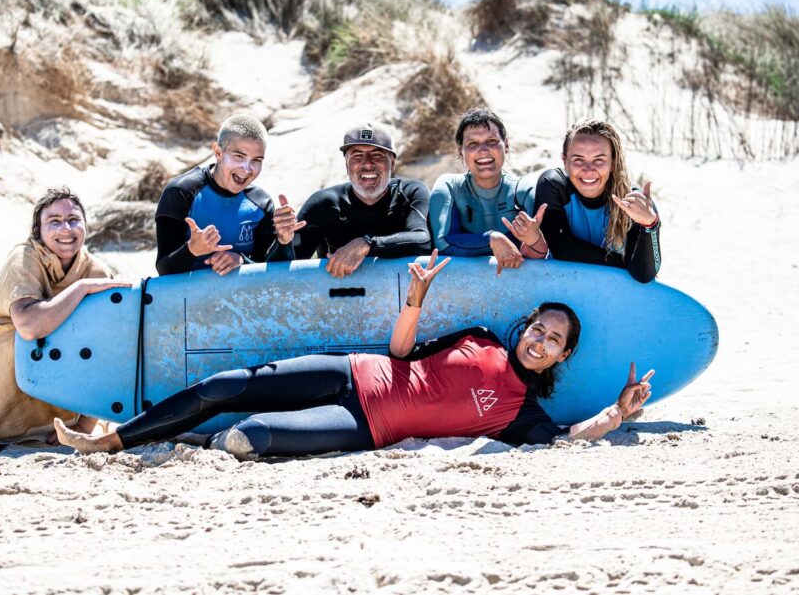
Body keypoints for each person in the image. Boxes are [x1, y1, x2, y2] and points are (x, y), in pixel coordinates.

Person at [55, 250, 655, 459]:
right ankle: (111, 441)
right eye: (539, 327)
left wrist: (618, 415)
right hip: (356, 369)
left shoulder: (520, 413)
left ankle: (184, 439)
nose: (540, 340)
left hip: (365, 425)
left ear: (560, 356)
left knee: (251, 438)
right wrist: (416, 299)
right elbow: (402, 350)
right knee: (225, 388)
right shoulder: (483, 337)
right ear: (524, 325)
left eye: (553, 340)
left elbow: (571, 439)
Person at [0, 187, 130, 447]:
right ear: (38, 231)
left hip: (45, 361)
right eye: (54, 222)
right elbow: (29, 326)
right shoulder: (24, 258)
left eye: (74, 220)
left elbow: (111, 345)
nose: (65, 229)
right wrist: (80, 289)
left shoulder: (94, 269)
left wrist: (85, 424)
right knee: (31, 336)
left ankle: (66, 423)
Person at [267, 122, 431, 278]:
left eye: (377, 155)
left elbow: (423, 240)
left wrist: (367, 244)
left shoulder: (410, 192)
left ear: (393, 163)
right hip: (338, 301)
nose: (367, 164)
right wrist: (283, 241)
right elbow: (280, 275)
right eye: (357, 155)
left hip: (401, 299)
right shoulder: (324, 203)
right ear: (346, 164)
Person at [535, 119, 661, 283]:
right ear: (564, 161)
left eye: (599, 159)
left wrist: (649, 225)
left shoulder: (634, 202)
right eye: (578, 159)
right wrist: (622, 263)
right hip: (560, 288)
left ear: (613, 163)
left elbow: (643, 275)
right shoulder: (554, 186)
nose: (588, 169)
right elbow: (562, 249)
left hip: (611, 295)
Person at [429, 108, 550, 274]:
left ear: (506, 145)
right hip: (459, 288)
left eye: (492, 141)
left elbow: (536, 258)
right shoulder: (449, 187)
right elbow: (442, 245)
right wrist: (491, 239)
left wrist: (534, 239)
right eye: (472, 144)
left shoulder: (523, 192)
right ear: (460, 152)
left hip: (516, 288)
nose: (483, 150)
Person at [155, 114, 276, 276]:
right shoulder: (181, 192)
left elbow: (267, 270)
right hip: (187, 299)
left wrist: (242, 260)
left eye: (256, 160)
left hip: (242, 298)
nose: (247, 169)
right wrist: (192, 250)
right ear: (218, 152)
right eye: (239, 156)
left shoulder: (262, 203)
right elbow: (163, 268)